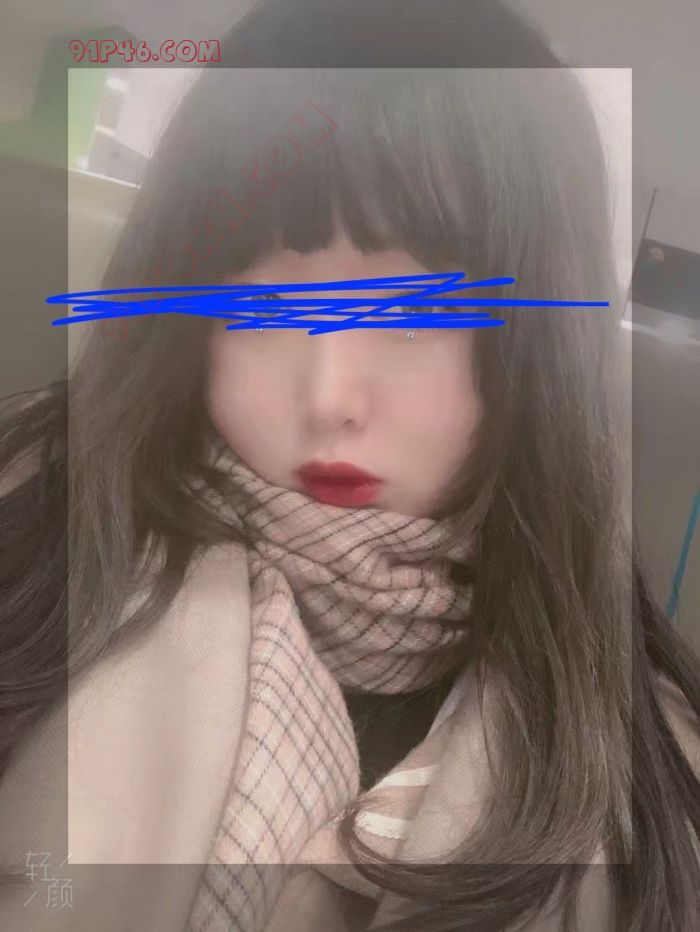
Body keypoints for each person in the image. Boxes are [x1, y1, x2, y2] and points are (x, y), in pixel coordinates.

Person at [1, 1, 698, 930]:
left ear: (539, 351)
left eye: (417, 312)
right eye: (262, 309)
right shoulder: (37, 543)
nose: (330, 396)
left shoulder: (649, 769)